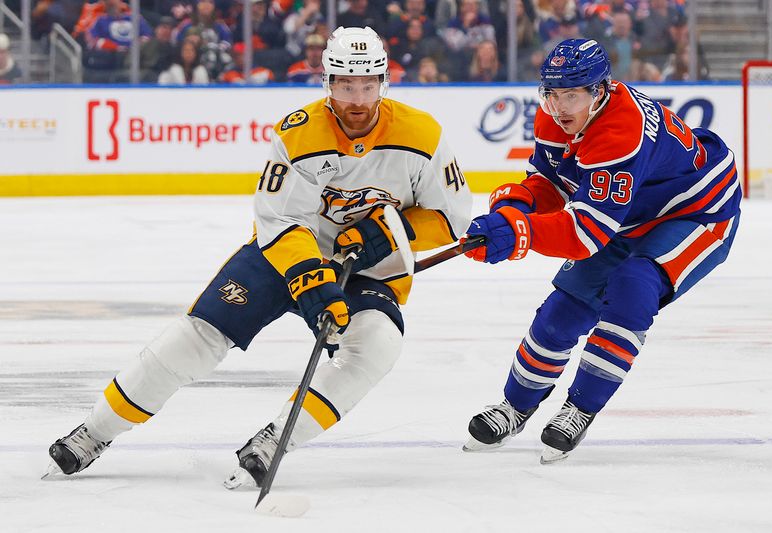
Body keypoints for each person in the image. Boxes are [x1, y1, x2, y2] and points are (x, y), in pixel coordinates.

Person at [45, 26, 472, 489]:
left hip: (366, 270)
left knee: (377, 347)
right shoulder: (298, 133)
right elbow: (278, 218)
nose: (357, 98)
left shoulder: (422, 135)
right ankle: (94, 432)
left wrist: (390, 232)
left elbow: (452, 218)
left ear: (384, 82)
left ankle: (273, 442)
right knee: (197, 337)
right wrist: (311, 276)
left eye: (368, 84)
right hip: (284, 257)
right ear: (327, 82)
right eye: (346, 84)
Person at [461, 38, 741, 464]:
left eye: (571, 95)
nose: (558, 107)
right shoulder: (556, 115)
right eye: (551, 94)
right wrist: (516, 205)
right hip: (628, 211)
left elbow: (585, 234)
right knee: (564, 308)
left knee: (634, 286)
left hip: (698, 210)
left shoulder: (620, 131)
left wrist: (519, 234)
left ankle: (580, 407)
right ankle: (515, 407)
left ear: (600, 91)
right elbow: (553, 182)